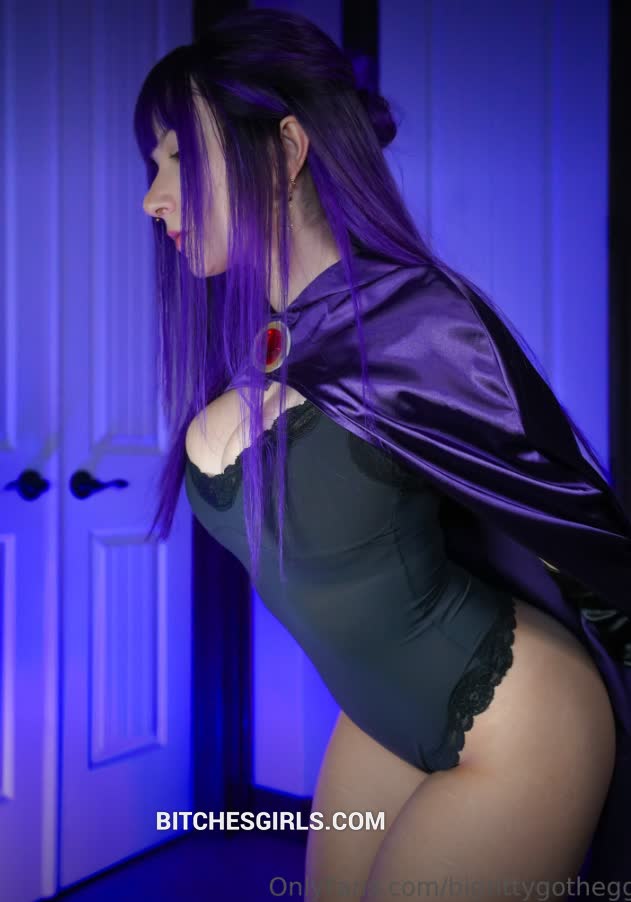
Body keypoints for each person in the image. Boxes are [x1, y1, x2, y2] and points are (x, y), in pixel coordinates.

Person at [135, 8, 631, 897]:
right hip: (376, 718)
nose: (153, 197)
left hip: (518, 720)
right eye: (152, 165)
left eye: (177, 157)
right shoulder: (265, 342)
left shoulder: (416, 323)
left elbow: (569, 523)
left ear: (285, 149)